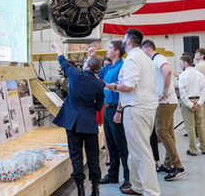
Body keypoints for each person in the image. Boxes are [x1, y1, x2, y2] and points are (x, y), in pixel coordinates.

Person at [106, 28, 160, 196]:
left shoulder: (132, 59)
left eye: (124, 38)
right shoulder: (144, 58)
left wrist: (112, 87)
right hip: (145, 108)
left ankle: (151, 191)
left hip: (136, 109)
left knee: (142, 152)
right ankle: (137, 186)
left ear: (128, 41)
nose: (123, 41)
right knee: (135, 151)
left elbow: (129, 86)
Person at [52, 40, 105, 196]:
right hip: (89, 124)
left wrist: (58, 48)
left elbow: (62, 61)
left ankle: (80, 188)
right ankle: (95, 188)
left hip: (73, 123)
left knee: (76, 155)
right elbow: (98, 106)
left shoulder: (75, 74)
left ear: (87, 66)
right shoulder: (98, 85)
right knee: (93, 156)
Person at [141, 40, 184, 181]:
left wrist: (165, 91)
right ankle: (167, 164)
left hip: (165, 102)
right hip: (168, 102)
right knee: (169, 133)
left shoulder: (158, 58)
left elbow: (168, 71)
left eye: (142, 51)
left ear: (147, 49)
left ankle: (178, 166)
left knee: (161, 131)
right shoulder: (155, 60)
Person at [98, 41, 130, 190]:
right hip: (107, 107)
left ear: (117, 51)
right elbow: (97, 73)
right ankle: (112, 175)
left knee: (121, 145)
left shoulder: (121, 67)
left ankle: (128, 177)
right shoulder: (109, 67)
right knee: (110, 143)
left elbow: (122, 91)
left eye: (110, 48)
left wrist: (119, 111)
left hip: (115, 109)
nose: (107, 50)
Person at [178, 54, 205, 156]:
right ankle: (204, 148)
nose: (180, 65)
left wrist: (190, 105)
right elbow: (204, 90)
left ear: (185, 63)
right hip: (199, 101)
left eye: (181, 63)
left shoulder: (182, 75)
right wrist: (199, 103)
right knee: (201, 125)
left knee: (190, 126)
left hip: (188, 103)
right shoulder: (200, 75)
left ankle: (193, 149)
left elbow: (182, 94)